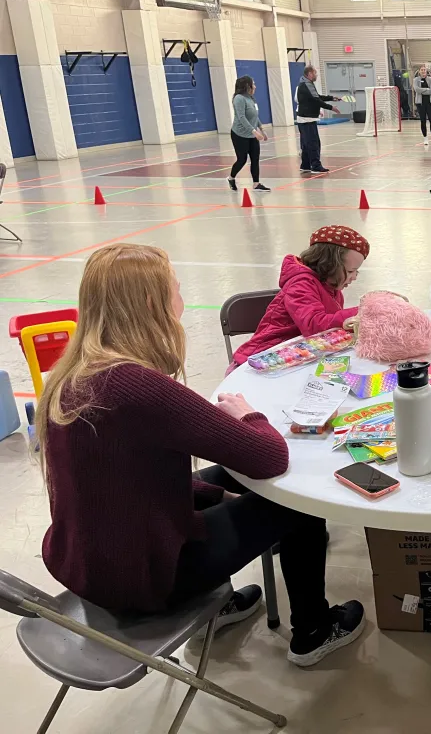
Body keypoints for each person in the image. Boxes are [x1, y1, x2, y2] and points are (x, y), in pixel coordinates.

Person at [37, 243, 365, 667]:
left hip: (86, 562)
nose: (182, 295)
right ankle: (314, 630)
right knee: (296, 504)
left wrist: (215, 496)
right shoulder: (136, 385)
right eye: (176, 286)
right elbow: (269, 458)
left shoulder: (74, 374)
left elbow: (126, 480)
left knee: (222, 480)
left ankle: (220, 602)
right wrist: (250, 415)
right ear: (153, 301)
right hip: (144, 581)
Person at [233, 225, 369, 366]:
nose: (354, 277)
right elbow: (315, 325)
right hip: (263, 359)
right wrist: (362, 311)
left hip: (297, 355)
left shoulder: (331, 288)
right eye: (351, 271)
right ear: (330, 264)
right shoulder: (300, 284)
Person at [295, 65, 341, 174]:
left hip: (305, 118)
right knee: (313, 143)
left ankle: (305, 165)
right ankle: (315, 166)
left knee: (306, 144)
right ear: (310, 73)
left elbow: (317, 97)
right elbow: (316, 100)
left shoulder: (306, 83)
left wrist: (331, 98)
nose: (316, 75)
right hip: (307, 119)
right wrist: (331, 108)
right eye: (315, 73)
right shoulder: (306, 84)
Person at [229, 76, 270, 193]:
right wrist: (254, 131)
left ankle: (256, 184)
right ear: (247, 86)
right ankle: (231, 178)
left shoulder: (251, 99)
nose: (255, 86)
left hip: (252, 134)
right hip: (239, 134)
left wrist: (262, 129)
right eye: (253, 84)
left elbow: (254, 117)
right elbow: (241, 117)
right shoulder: (238, 99)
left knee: (255, 159)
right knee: (242, 159)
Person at [414, 66, 431, 146]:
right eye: (421, 70)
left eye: (424, 70)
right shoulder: (416, 80)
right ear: (419, 71)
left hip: (429, 103)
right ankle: (425, 138)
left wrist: (423, 91)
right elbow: (417, 90)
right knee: (423, 121)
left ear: (426, 71)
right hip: (420, 103)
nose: (423, 71)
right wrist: (427, 90)